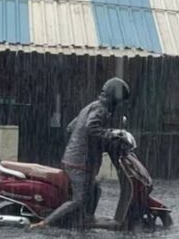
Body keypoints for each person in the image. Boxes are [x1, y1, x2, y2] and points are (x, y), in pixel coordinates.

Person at [30, 77, 131, 229]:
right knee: (79, 199)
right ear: (115, 97)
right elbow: (91, 128)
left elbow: (71, 127)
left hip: (73, 158)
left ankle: (87, 218)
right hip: (79, 163)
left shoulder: (91, 106)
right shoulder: (101, 109)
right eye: (120, 100)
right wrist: (112, 135)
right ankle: (44, 223)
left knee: (95, 187)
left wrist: (91, 143)